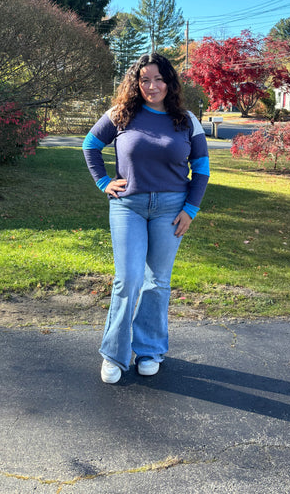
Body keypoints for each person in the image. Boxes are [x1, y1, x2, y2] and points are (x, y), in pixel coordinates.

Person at [82, 53, 210, 383]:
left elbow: (202, 170)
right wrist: (103, 181)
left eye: (158, 79)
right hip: (129, 206)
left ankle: (150, 351)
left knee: (157, 282)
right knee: (129, 280)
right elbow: (90, 145)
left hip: (171, 209)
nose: (151, 86)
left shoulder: (186, 120)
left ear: (170, 82)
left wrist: (190, 210)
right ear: (136, 83)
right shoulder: (122, 114)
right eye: (144, 80)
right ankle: (114, 354)